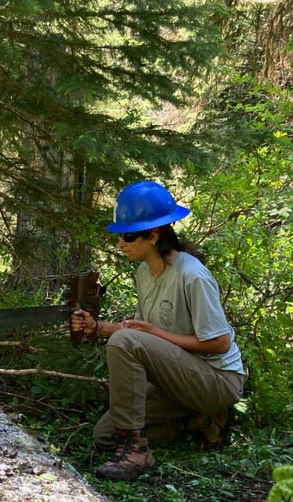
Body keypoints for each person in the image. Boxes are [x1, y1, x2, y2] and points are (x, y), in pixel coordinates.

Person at [71, 180, 245, 481]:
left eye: (127, 236)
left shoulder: (192, 276)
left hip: (217, 379)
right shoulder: (144, 272)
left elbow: (219, 342)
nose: (120, 244)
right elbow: (139, 332)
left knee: (125, 344)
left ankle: (139, 452)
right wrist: (96, 327)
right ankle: (197, 420)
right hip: (178, 378)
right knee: (105, 437)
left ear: (153, 235)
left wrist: (154, 334)